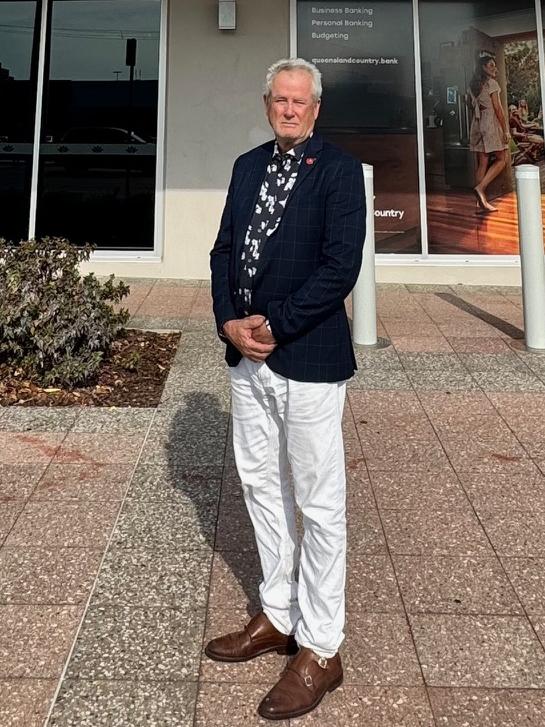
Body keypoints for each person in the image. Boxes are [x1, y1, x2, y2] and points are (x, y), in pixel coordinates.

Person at [208, 57, 365, 720]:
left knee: (319, 501)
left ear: (316, 108)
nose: (289, 109)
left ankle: (322, 647)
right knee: (259, 483)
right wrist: (228, 320)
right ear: (267, 101)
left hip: (307, 355)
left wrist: (273, 323)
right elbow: (222, 252)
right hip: (249, 358)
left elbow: (339, 267)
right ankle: (278, 610)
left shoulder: (337, 172)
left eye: (300, 101)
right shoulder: (247, 165)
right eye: (280, 99)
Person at [468, 54, 510, 212]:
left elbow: (472, 106)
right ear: (483, 68)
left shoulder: (473, 86)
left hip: (477, 124)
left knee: (483, 163)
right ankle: (481, 188)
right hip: (490, 123)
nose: (495, 69)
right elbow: (498, 109)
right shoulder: (492, 83)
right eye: (491, 65)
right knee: (502, 159)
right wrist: (505, 130)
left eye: (494, 65)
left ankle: (480, 204)